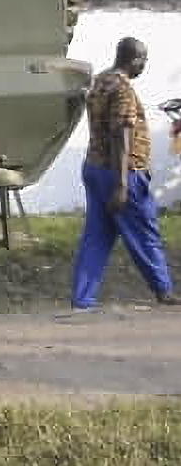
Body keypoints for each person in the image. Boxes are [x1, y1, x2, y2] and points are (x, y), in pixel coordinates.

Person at [71, 36, 178, 310]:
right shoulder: (123, 90)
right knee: (145, 231)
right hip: (120, 173)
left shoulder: (100, 81)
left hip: (94, 167)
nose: (144, 67)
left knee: (98, 235)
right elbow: (121, 135)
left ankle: (82, 299)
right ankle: (164, 290)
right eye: (143, 61)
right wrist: (122, 184)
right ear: (135, 59)